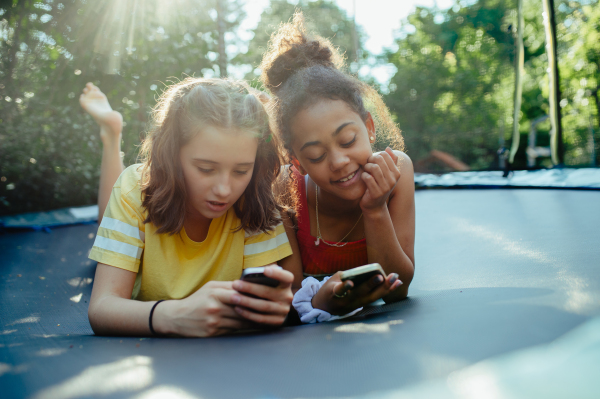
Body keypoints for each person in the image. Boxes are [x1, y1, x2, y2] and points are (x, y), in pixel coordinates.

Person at [80, 78, 296, 337]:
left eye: (241, 170)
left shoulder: (254, 197)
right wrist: (174, 316)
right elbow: (102, 308)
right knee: (108, 217)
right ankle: (111, 136)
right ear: (172, 155)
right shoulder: (134, 187)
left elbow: (269, 305)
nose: (224, 189)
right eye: (206, 169)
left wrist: (274, 307)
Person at [260, 13, 415, 322]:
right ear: (296, 162)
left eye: (347, 140)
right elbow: (290, 300)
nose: (339, 161)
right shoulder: (285, 189)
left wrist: (374, 209)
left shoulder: (397, 170)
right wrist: (322, 301)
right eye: (316, 156)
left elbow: (398, 289)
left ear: (369, 127)